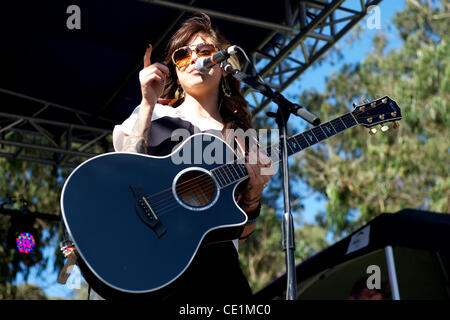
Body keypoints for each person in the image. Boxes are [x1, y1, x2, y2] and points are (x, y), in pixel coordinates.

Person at [112, 13, 274, 300]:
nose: (193, 58)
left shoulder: (240, 138)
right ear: (175, 69)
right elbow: (124, 170)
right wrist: (147, 103)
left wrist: (254, 193)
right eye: (182, 54)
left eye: (205, 51)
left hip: (218, 271)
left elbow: (243, 233)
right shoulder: (155, 114)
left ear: (223, 66)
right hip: (155, 256)